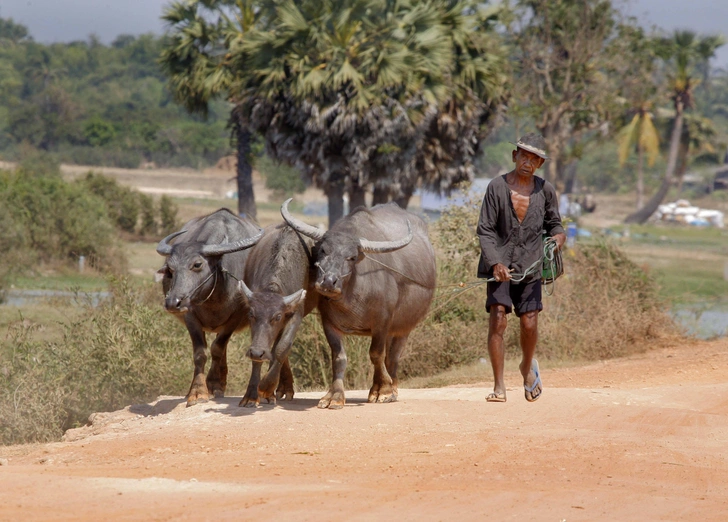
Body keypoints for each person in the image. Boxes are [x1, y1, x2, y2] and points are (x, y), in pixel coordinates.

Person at [476, 133, 566, 403]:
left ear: (539, 163)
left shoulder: (545, 190)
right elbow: (485, 230)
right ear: (514, 156)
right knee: (499, 319)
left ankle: (527, 367)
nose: (528, 162)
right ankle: (499, 385)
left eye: (535, 158)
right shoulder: (496, 187)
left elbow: (555, 225)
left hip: (531, 267)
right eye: (524, 155)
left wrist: (559, 238)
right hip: (499, 267)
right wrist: (495, 263)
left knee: (529, 322)